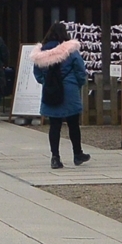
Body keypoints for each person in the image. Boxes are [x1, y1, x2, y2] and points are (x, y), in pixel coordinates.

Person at [33, 22, 90, 170]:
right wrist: (77, 84)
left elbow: (37, 74)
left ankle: (55, 157)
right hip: (69, 90)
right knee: (73, 123)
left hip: (51, 91)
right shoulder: (70, 50)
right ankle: (77, 154)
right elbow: (80, 70)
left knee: (55, 125)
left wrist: (46, 82)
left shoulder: (41, 52)